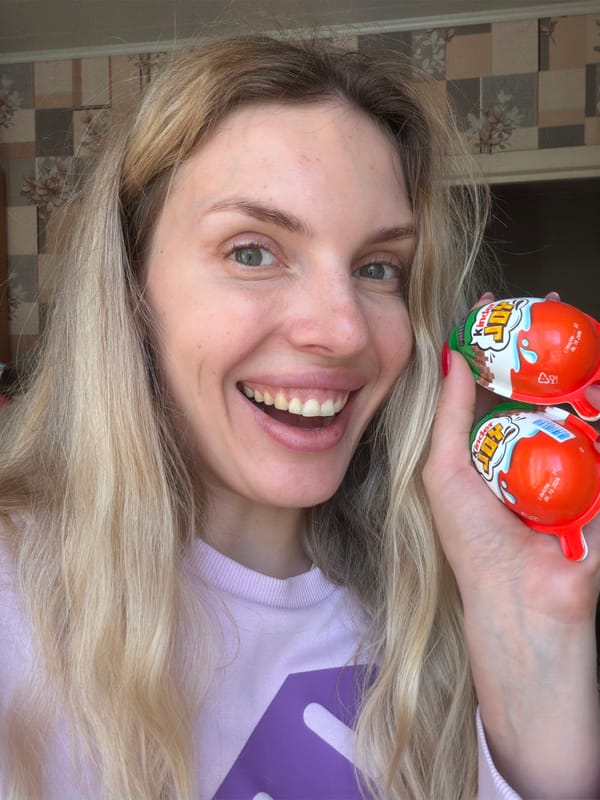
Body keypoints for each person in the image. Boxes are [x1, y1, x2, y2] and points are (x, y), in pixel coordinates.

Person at [0, 33, 598, 800]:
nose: (345, 330)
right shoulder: (17, 606)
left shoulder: (428, 614)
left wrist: (533, 632)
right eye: (253, 252)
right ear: (130, 291)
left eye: (378, 268)